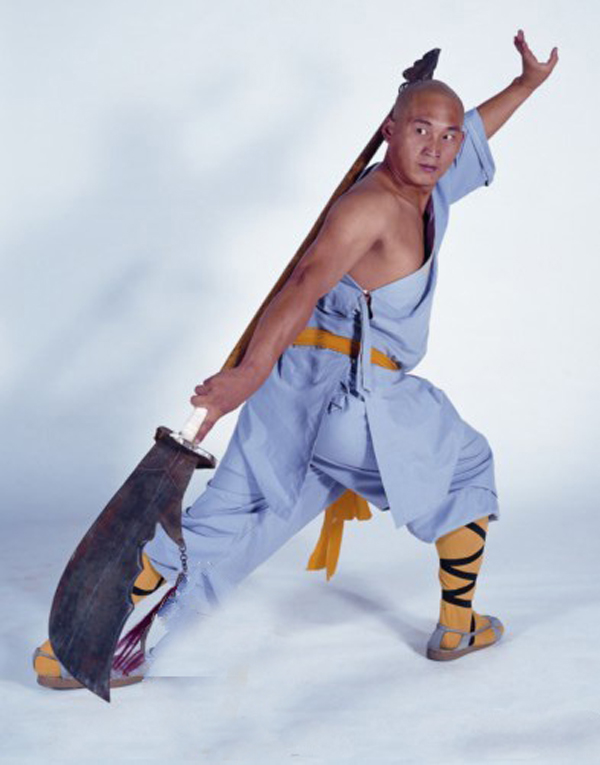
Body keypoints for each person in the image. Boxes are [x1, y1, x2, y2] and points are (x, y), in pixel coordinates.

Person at [34, 29, 558, 688]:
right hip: (351, 405)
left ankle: (79, 646)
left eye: (447, 136)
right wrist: (246, 373)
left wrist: (525, 84)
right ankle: (459, 625)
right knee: (467, 466)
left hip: (290, 399)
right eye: (421, 130)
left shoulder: (429, 190)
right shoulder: (371, 207)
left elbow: (474, 130)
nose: (437, 146)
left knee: (223, 524)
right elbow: (306, 282)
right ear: (390, 131)